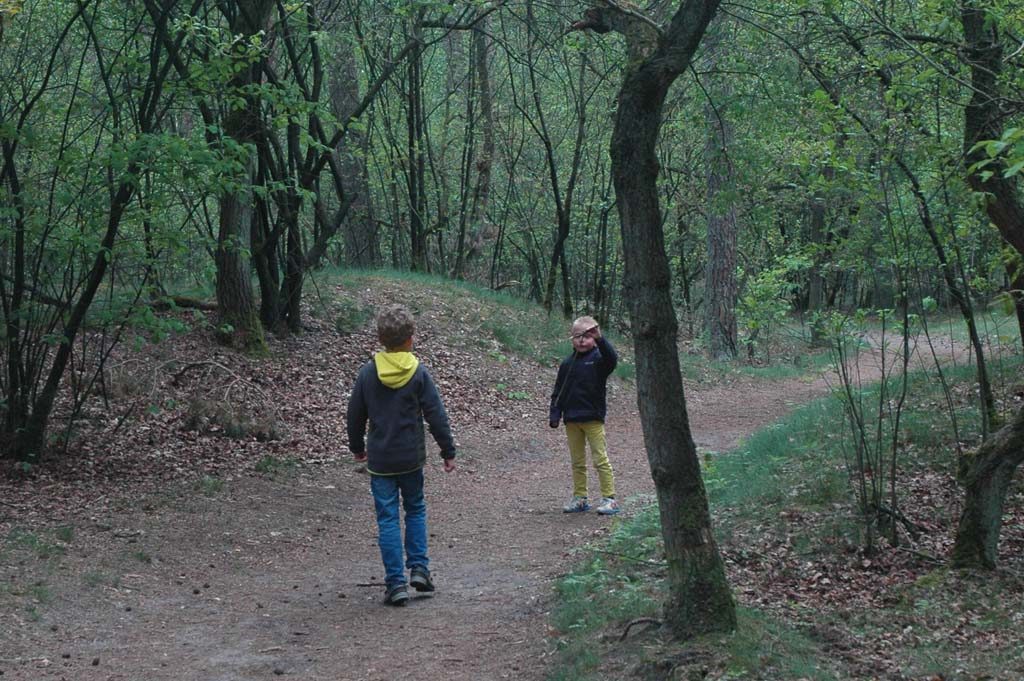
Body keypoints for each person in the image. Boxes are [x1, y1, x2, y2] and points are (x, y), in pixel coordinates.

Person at [346, 304, 456, 606]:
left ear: (381, 338)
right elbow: (436, 414)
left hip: (381, 460)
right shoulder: (418, 373)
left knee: (388, 518)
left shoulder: (368, 373)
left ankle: (395, 584)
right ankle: (419, 568)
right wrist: (447, 450)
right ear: (411, 338)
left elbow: (354, 415)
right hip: (410, 458)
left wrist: (357, 447)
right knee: (416, 509)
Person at [548, 315, 620, 515]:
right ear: (571, 339)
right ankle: (580, 498)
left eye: (586, 336)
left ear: (593, 338)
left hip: (593, 418)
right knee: (577, 461)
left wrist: (600, 339)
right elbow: (558, 390)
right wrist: (555, 413)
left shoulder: (599, 359)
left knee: (600, 459)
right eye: (577, 336)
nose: (581, 341)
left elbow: (612, 359)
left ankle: (609, 498)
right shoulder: (567, 363)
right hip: (572, 419)